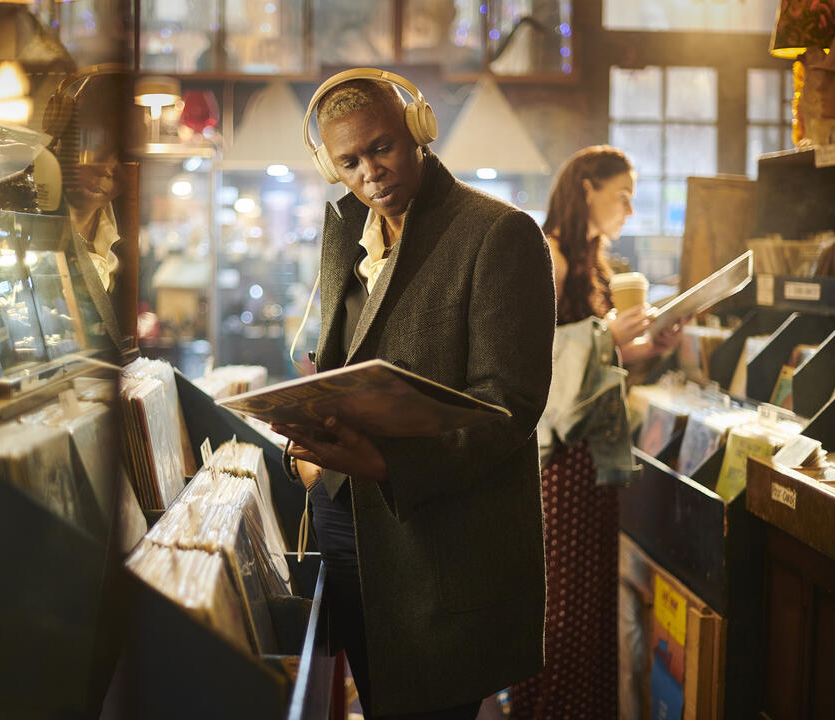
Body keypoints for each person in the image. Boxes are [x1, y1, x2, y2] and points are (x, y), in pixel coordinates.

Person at [274, 69, 556, 719]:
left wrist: (388, 465)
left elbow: (509, 407)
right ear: (329, 166)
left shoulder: (498, 233)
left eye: (381, 147)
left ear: (420, 133)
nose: (369, 171)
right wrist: (308, 445)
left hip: (440, 540)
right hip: (347, 521)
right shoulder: (348, 230)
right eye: (348, 160)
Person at [510, 146, 682, 720]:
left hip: (592, 455)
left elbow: (597, 369)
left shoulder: (595, 263)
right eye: (623, 196)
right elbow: (529, 362)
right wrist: (607, 331)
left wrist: (646, 347)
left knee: (588, 603)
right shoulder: (548, 254)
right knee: (561, 604)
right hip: (557, 460)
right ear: (587, 187)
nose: (629, 211)